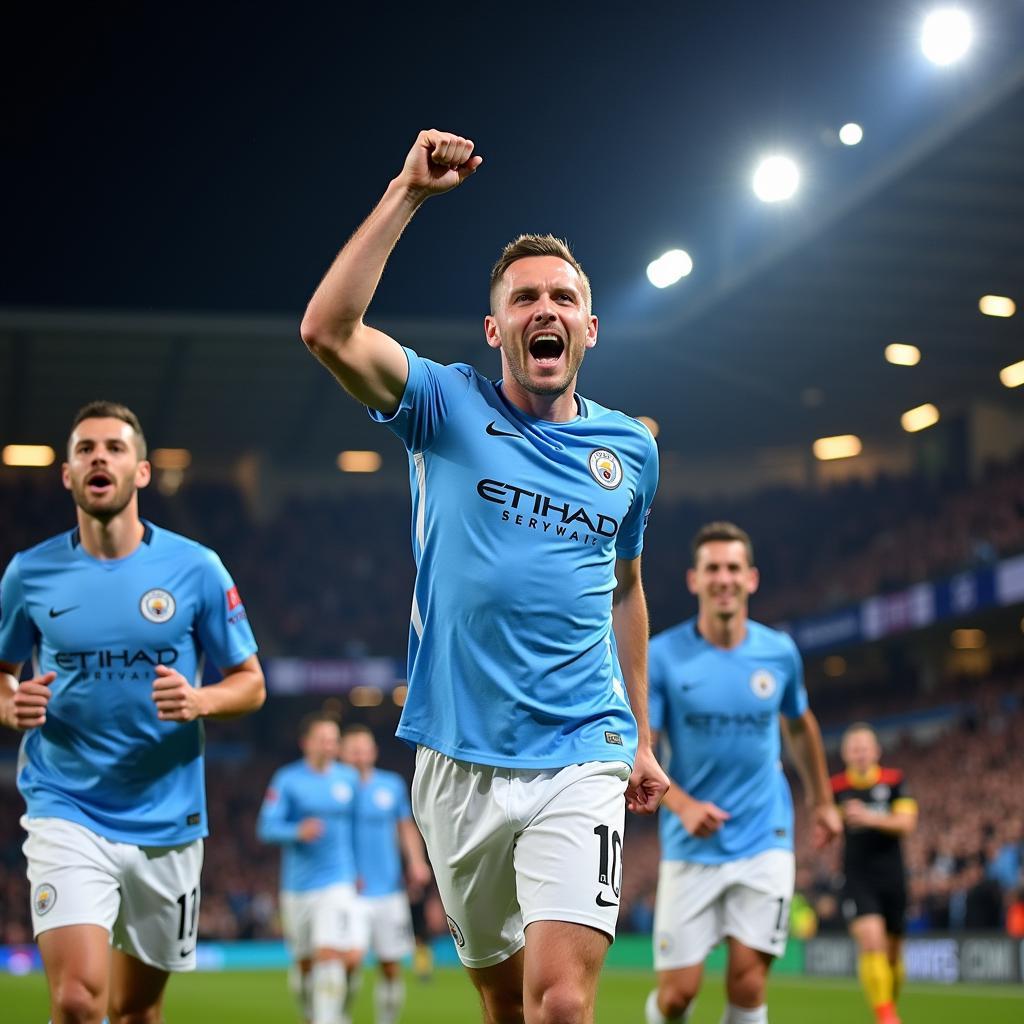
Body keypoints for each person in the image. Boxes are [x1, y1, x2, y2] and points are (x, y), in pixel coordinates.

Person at [299, 129, 669, 1024]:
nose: (547, 308)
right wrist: (407, 194)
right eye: (526, 297)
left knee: (561, 1006)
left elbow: (624, 589)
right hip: (455, 755)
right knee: (504, 1004)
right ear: (497, 327)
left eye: (564, 296)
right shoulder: (442, 403)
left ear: (588, 326)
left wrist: (642, 735)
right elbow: (327, 331)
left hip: (582, 748)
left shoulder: (631, 450)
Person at [0, 400, 266, 1024]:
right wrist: (10, 706)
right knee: (75, 999)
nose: (99, 457)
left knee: (136, 1011)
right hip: (66, 805)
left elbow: (251, 684)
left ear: (141, 472)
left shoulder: (196, 568)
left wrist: (200, 700)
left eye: (114, 448)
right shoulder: (29, 575)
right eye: (85, 449)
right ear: (67, 475)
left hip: (168, 819)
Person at [645, 521, 841, 1024]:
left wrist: (822, 801)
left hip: (764, 835)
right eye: (713, 568)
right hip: (690, 843)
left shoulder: (778, 653)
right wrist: (683, 805)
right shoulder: (663, 656)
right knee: (677, 997)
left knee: (749, 980)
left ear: (751, 578)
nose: (723, 578)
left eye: (733, 567)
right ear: (695, 580)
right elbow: (639, 748)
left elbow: (800, 727)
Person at [257, 714, 362, 1024]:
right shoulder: (287, 780)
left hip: (339, 880)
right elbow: (266, 827)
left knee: (332, 955)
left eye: (334, 739)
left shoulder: (349, 779)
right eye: (324, 739)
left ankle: (327, 1019)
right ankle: (310, 1013)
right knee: (304, 963)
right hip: (298, 886)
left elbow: (360, 829)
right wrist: (296, 831)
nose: (330, 745)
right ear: (306, 743)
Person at [340, 723, 431, 1024]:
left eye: (364, 748)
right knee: (349, 960)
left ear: (373, 752)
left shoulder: (390, 785)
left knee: (391, 964)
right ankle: (337, 1017)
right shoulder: (335, 788)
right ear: (342, 752)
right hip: (350, 891)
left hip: (390, 889)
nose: (359, 754)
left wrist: (416, 861)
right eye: (353, 749)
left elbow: (405, 826)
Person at [832, 723, 917, 1024]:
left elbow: (906, 824)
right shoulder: (836, 788)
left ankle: (888, 1005)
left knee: (893, 955)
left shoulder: (895, 781)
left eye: (865, 747)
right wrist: (830, 825)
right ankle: (886, 1016)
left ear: (877, 751)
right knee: (871, 941)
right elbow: (825, 825)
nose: (860, 753)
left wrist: (868, 817)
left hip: (893, 876)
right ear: (845, 754)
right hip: (857, 876)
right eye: (854, 748)